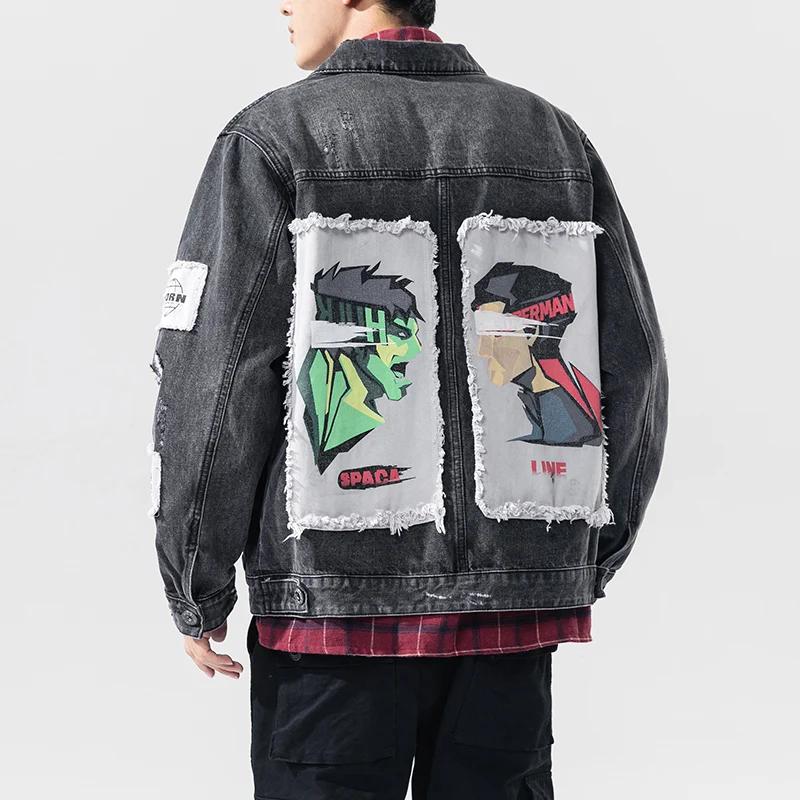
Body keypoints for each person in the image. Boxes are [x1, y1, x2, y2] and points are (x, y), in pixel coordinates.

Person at [146, 1, 670, 798]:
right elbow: (633, 369)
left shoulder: (274, 139)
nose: (281, 2)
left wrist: (196, 578)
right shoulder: (554, 141)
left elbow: (216, 379)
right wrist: (575, 560)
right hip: (511, 615)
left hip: (329, 617)